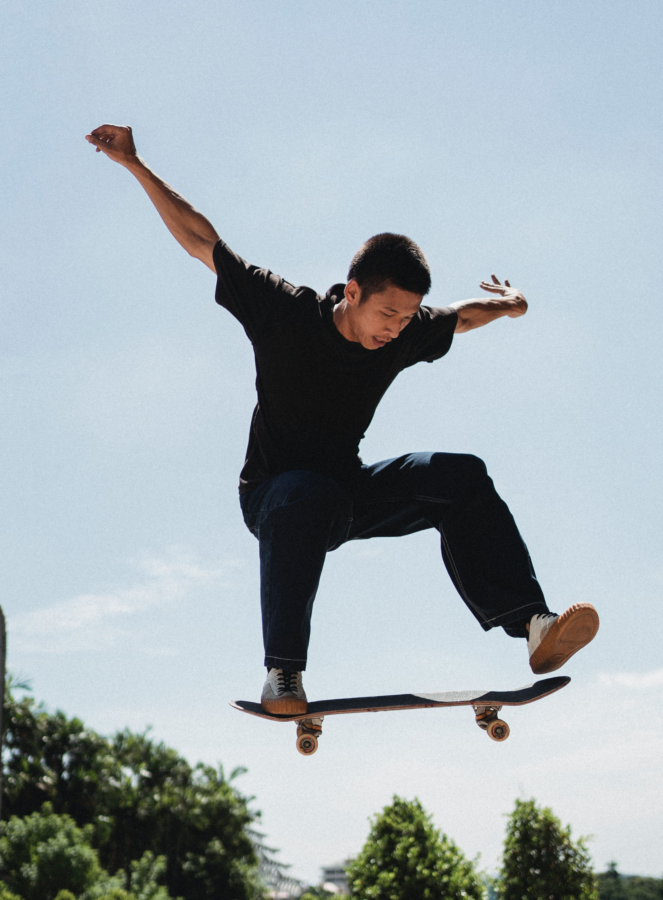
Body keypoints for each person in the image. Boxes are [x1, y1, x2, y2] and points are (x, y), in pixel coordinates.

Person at [85, 124, 599, 715]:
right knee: (303, 492)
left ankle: (531, 624)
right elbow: (204, 242)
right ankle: (283, 674)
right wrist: (134, 164)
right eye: (387, 313)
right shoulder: (284, 312)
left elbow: (459, 317)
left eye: (407, 319)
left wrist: (512, 305)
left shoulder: (404, 333)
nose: (396, 329)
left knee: (461, 475)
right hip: (275, 497)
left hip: (347, 493)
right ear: (352, 291)